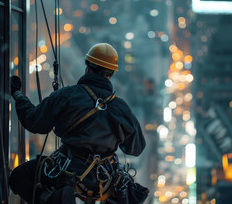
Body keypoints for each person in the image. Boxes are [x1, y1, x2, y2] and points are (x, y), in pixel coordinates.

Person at [9, 43, 146, 204]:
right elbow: (136, 148)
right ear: (111, 73)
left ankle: (49, 200)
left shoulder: (67, 95)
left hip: (68, 171)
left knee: (19, 177)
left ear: (88, 66)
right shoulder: (120, 107)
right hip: (104, 178)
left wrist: (17, 94)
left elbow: (34, 122)